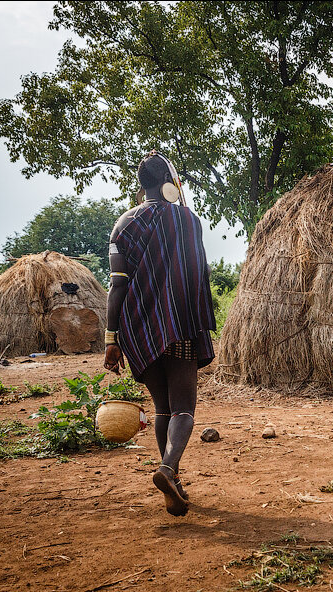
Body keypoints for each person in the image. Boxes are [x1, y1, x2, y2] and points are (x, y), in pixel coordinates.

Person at [104, 150, 217, 517]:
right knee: (183, 409)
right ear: (168, 182)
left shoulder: (123, 224)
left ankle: (174, 482)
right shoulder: (186, 219)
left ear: (141, 184)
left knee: (162, 409)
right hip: (178, 326)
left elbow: (117, 286)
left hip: (137, 330)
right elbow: (198, 275)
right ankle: (167, 469)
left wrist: (111, 339)